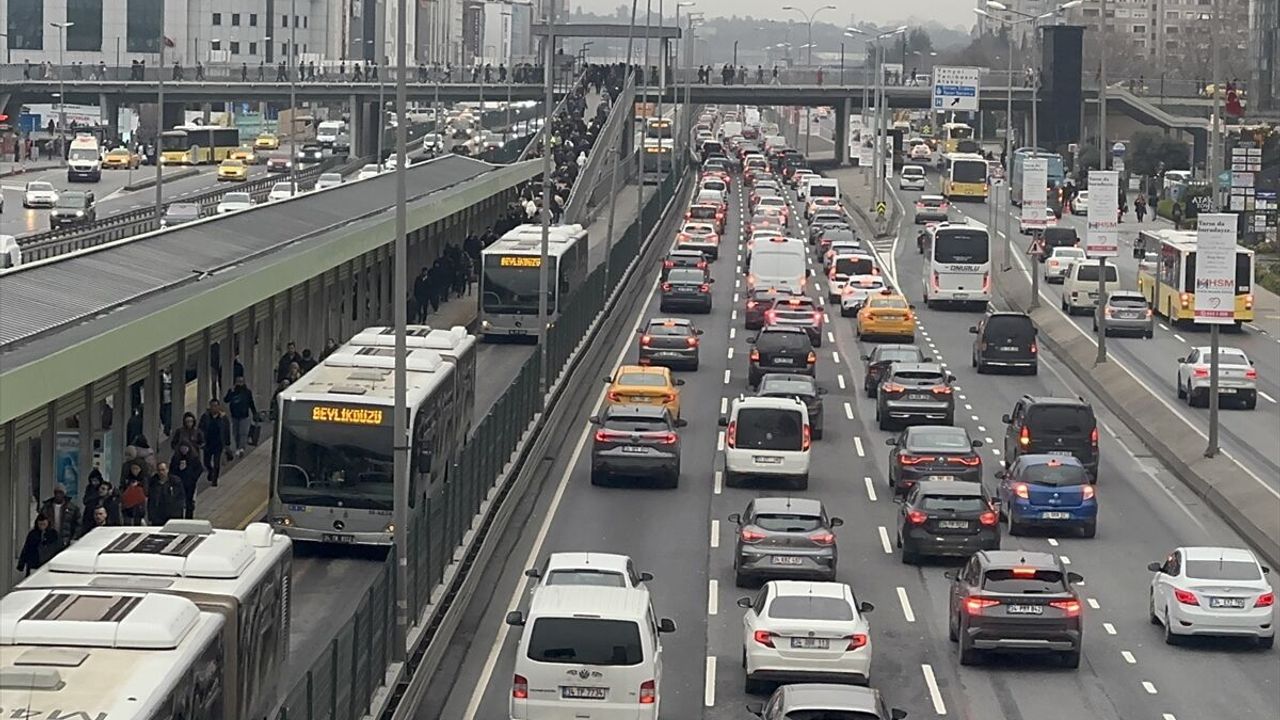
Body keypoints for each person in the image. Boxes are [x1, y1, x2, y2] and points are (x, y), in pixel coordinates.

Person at [198, 400, 231, 486]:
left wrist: (227, 443)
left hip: (218, 443)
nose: (214, 408)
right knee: (206, 462)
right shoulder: (205, 417)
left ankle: (214, 479)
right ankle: (210, 471)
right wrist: (201, 440)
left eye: (216, 406)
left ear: (219, 407)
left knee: (217, 462)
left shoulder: (223, 418)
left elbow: (227, 430)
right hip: (208, 443)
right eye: (212, 406)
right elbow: (200, 429)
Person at [224, 376, 259, 457]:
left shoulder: (247, 392)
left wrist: (254, 413)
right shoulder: (232, 391)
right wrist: (230, 393)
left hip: (244, 416)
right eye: (238, 381)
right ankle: (238, 447)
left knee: (243, 432)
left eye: (241, 381)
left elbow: (251, 403)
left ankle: (241, 448)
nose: (240, 383)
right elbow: (226, 400)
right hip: (234, 416)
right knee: (236, 433)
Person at [148, 461, 187, 525]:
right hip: (158, 515)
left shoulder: (175, 481)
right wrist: (151, 516)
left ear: (167, 470)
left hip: (173, 514)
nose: (161, 472)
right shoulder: (153, 482)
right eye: (159, 470)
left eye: (163, 470)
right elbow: (151, 500)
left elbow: (181, 497)